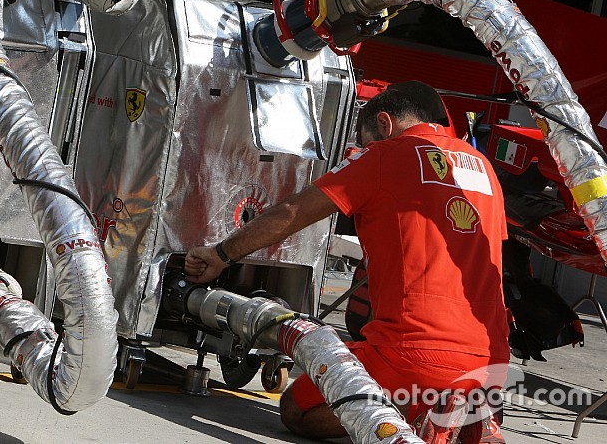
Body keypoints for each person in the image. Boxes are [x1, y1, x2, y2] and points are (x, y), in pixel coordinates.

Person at [185, 82, 510, 442]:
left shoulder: (386, 155)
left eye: (367, 141)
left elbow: (294, 212)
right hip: (490, 359)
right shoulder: (484, 169)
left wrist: (221, 254)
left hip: (411, 351)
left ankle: (414, 409)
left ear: (384, 123)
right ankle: (463, 413)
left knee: (296, 409)